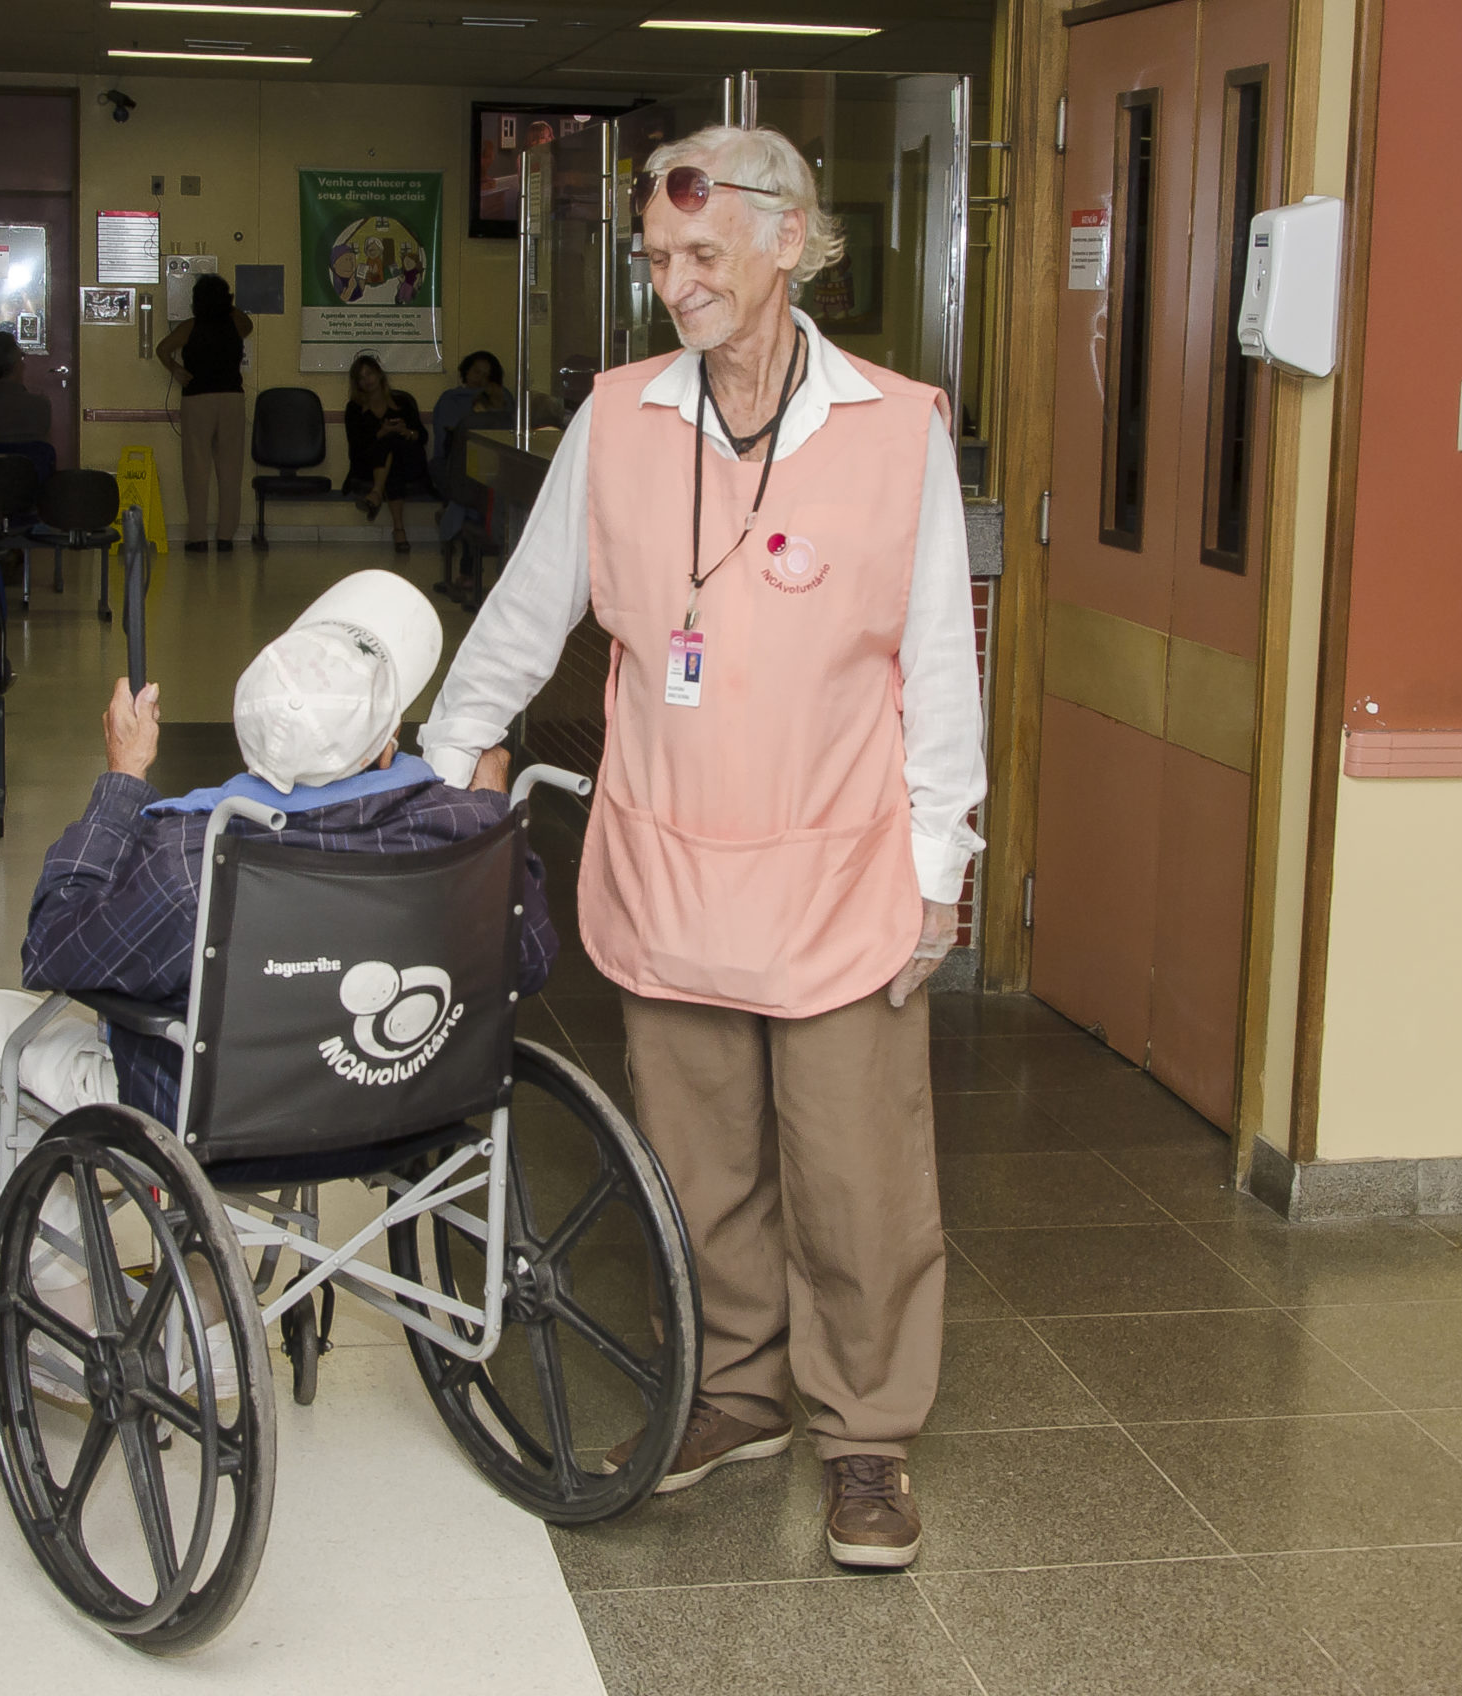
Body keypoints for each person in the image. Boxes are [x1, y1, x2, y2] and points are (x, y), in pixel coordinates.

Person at [419, 125, 986, 1567]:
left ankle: (865, 1435)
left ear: (792, 241)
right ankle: (734, 1393)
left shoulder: (893, 425)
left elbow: (936, 664)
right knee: (692, 1162)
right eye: (658, 261)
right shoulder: (619, 422)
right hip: (671, 859)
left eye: (702, 255)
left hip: (841, 868)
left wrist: (939, 866)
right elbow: (526, 608)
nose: (675, 285)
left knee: (856, 1172)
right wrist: (446, 760)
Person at [0, 570, 558, 1259]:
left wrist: (122, 780)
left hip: (219, 1123)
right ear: (385, 743)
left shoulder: (193, 855)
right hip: (409, 1103)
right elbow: (528, 958)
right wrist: (497, 820)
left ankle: (64, 1301)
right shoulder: (460, 828)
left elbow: (53, 948)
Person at [156, 273, 252, 554]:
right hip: (232, 398)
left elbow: (162, 349)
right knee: (231, 470)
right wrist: (226, 304)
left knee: (196, 470)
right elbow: (249, 324)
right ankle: (225, 537)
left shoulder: (189, 327)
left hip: (197, 398)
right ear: (227, 298)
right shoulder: (236, 323)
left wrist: (175, 369)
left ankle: (197, 537)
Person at [429, 349, 515, 557]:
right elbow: (443, 441)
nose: (481, 379)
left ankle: (457, 520)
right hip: (455, 462)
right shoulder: (450, 399)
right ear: (466, 372)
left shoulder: (503, 398)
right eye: (477, 372)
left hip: (495, 468)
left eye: (487, 375)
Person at [343, 354, 428, 553]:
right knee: (390, 446)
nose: (367, 380)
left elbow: (423, 437)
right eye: (361, 377)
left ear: (380, 374)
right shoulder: (354, 409)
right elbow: (355, 446)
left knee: (394, 443)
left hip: (410, 462)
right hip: (367, 464)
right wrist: (381, 433)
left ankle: (376, 494)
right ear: (357, 384)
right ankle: (399, 530)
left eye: (370, 373)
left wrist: (407, 432)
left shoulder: (403, 403)